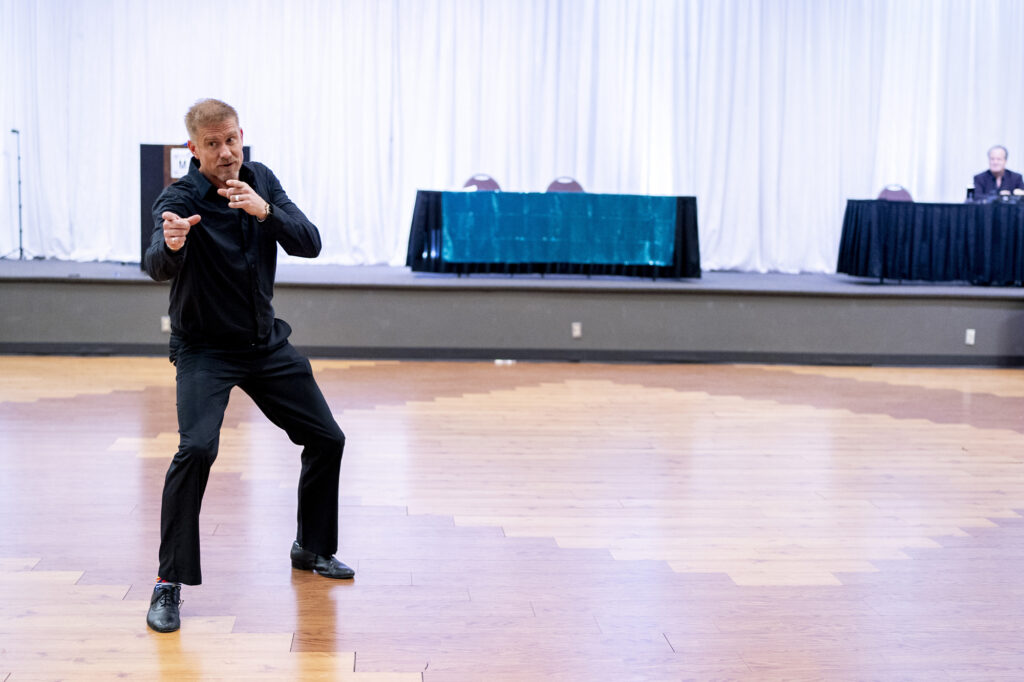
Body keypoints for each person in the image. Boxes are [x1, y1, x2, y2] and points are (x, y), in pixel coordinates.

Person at [143, 98, 353, 634]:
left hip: (264, 344)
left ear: (242, 136)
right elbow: (156, 263)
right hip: (205, 350)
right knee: (196, 449)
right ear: (194, 148)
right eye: (213, 144)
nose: (226, 152)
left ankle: (312, 547)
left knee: (327, 438)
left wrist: (265, 211)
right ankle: (168, 582)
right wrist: (172, 243)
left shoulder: (262, 181)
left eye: (232, 139)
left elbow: (310, 243)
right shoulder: (180, 197)